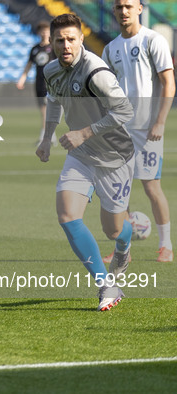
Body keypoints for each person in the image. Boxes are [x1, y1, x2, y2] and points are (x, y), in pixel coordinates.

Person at [36, 14, 135, 311]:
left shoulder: (96, 72)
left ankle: (124, 245)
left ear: (81, 40)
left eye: (71, 39)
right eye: (59, 40)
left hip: (113, 155)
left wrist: (84, 132)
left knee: (114, 230)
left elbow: (125, 111)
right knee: (67, 216)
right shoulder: (51, 69)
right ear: (51, 43)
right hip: (80, 156)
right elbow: (54, 100)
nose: (65, 45)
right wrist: (47, 138)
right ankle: (107, 285)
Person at [101, 0, 175, 263]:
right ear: (114, 11)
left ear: (140, 9)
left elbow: (169, 83)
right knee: (119, 190)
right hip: (119, 130)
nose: (124, 11)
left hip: (147, 129)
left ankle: (166, 245)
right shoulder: (110, 49)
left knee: (151, 187)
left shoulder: (152, 40)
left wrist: (160, 121)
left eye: (128, 6)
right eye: (119, 6)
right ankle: (124, 250)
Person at [17, 21, 57, 146]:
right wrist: (22, 78)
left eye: (46, 30)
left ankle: (45, 136)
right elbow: (29, 65)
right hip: (39, 83)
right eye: (42, 30)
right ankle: (51, 136)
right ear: (39, 32)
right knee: (43, 111)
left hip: (50, 83)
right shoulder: (35, 49)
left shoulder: (54, 48)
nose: (44, 33)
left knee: (47, 110)